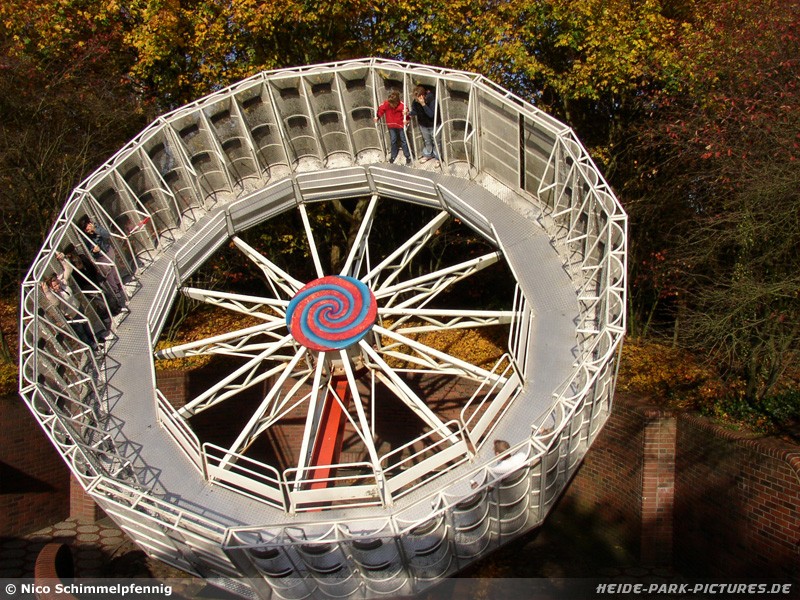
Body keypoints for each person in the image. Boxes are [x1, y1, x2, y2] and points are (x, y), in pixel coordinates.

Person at [40, 252, 98, 351]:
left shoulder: (63, 284)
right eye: (55, 286)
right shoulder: (54, 295)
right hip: (72, 316)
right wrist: (46, 291)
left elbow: (68, 270)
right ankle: (90, 347)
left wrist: (63, 259)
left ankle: (95, 341)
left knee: (87, 327)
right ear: (51, 288)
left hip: (79, 308)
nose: (57, 286)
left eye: (57, 283)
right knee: (81, 333)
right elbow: (55, 302)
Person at [77, 215, 127, 311]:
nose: (88, 228)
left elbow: (106, 234)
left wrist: (95, 230)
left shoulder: (96, 227)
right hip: (101, 257)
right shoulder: (85, 238)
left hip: (108, 250)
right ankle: (115, 290)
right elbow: (89, 252)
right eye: (86, 228)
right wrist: (94, 251)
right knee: (108, 273)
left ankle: (119, 284)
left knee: (113, 269)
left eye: (88, 225)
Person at [374, 91, 411, 165]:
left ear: (396, 102)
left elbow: (407, 115)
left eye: (392, 104)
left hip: (400, 125)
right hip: (391, 126)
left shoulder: (402, 106)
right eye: (390, 103)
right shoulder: (386, 104)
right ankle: (393, 155)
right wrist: (377, 117)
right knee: (393, 140)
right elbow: (381, 110)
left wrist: (407, 121)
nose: (391, 105)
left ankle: (407, 155)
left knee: (404, 140)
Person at [406, 85, 440, 163]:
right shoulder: (415, 102)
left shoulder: (431, 100)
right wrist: (409, 113)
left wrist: (423, 104)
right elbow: (415, 111)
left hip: (433, 124)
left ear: (422, 96)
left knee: (436, 141)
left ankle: (437, 157)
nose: (416, 100)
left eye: (417, 98)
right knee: (427, 141)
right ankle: (428, 154)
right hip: (423, 124)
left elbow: (431, 114)